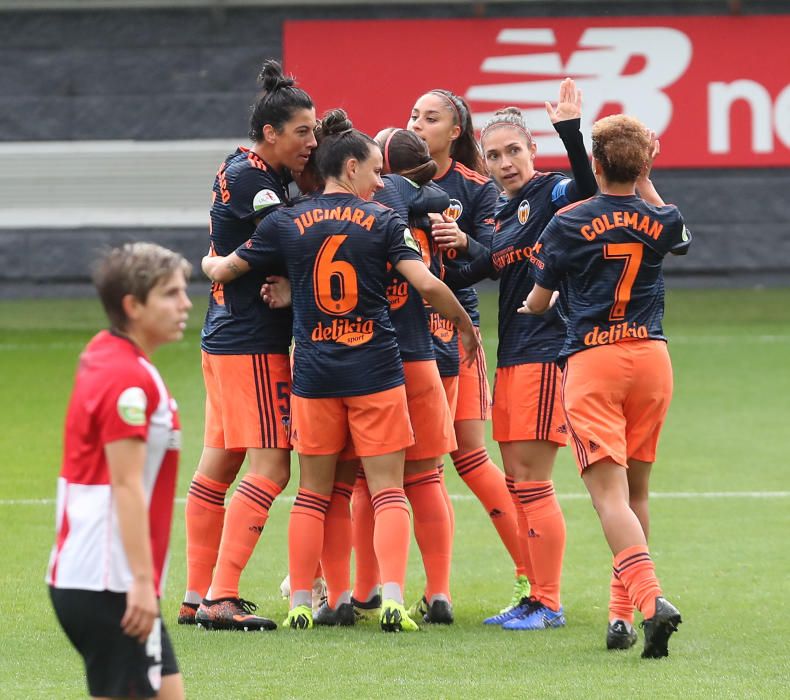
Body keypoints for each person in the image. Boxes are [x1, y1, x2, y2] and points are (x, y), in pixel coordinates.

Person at [203, 110, 480, 632]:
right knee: (393, 489)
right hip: (377, 371)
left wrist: (208, 262)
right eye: (375, 170)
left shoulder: (287, 222)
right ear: (351, 168)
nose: (381, 180)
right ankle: (395, 600)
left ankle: (304, 603)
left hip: (314, 378)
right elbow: (426, 285)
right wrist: (464, 325)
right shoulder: (382, 220)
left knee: (314, 493)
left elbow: (226, 267)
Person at [522, 114, 690, 657]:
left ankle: (648, 600)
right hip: (652, 359)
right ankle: (620, 618)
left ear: (593, 164)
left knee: (607, 497)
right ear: (644, 165)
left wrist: (530, 305)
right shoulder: (662, 217)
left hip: (595, 361)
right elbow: (678, 235)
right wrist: (644, 176)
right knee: (636, 493)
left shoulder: (568, 222)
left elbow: (541, 301)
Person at [444, 78, 597, 629]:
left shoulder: (553, 193)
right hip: (513, 355)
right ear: (483, 164)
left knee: (532, 481)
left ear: (533, 151)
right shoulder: (505, 217)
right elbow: (479, 269)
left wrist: (571, 133)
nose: (506, 162)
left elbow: (586, 188)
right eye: (495, 155)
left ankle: (549, 602)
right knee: (516, 481)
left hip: (547, 351)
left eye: (514, 151)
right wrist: (433, 254)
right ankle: (534, 595)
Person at [182, 59, 317, 631]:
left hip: (225, 336)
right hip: (252, 341)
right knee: (271, 466)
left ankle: (195, 596)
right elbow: (287, 236)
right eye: (302, 132)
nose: (310, 143)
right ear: (270, 134)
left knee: (219, 466)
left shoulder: (246, 169)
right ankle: (222, 595)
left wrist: (218, 264)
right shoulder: (255, 180)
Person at [47, 243, 191, 699]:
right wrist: (143, 585)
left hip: (100, 578)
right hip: (111, 583)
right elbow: (125, 484)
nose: (186, 304)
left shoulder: (107, 352)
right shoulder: (127, 378)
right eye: (170, 294)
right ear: (132, 305)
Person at [406, 88, 529, 612]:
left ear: (455, 131)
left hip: (453, 331)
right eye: (414, 114)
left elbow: (496, 260)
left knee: (469, 458)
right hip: (404, 336)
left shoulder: (476, 188)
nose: (417, 124)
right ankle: (432, 592)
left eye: (430, 118)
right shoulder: (388, 179)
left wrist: (461, 243)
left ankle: (532, 576)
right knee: (413, 468)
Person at [342, 127, 457, 624]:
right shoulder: (430, 207)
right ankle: (438, 593)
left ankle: (365, 590)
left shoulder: (369, 204)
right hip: (421, 353)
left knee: (371, 482)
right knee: (426, 477)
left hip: (369, 362)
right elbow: (435, 193)